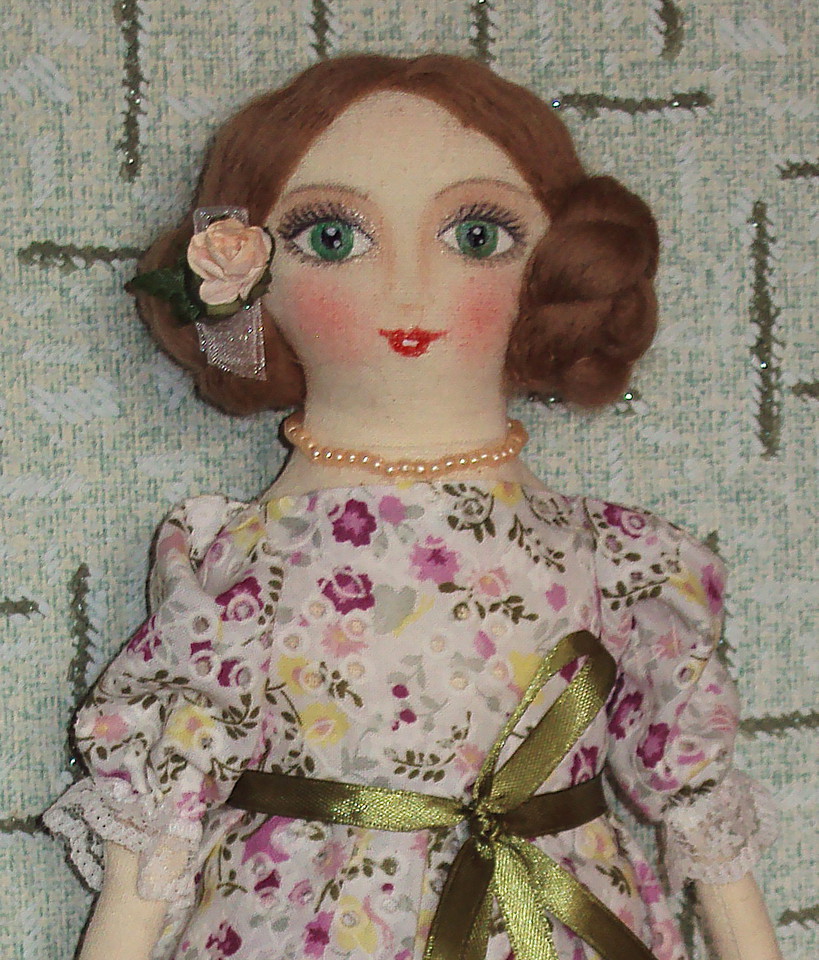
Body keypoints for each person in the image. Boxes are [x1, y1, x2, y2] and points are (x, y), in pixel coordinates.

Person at [45, 55, 782, 960]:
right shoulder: (238, 564)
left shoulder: (619, 559)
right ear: (240, 273)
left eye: (476, 235)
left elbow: (698, 800)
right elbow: (154, 833)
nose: (406, 286)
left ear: (557, 270)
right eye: (330, 238)